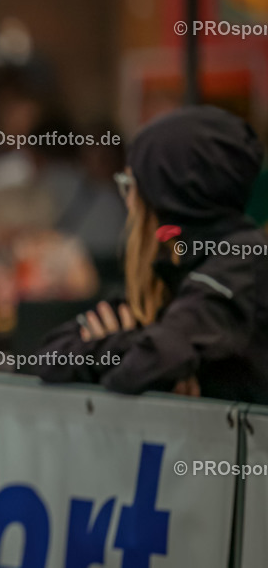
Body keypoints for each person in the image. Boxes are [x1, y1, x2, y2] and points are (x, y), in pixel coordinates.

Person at [31, 106, 268, 404]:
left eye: (131, 185)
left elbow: (142, 368)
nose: (128, 201)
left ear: (171, 194)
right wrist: (131, 345)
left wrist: (121, 346)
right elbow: (49, 358)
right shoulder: (173, 265)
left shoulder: (242, 259)